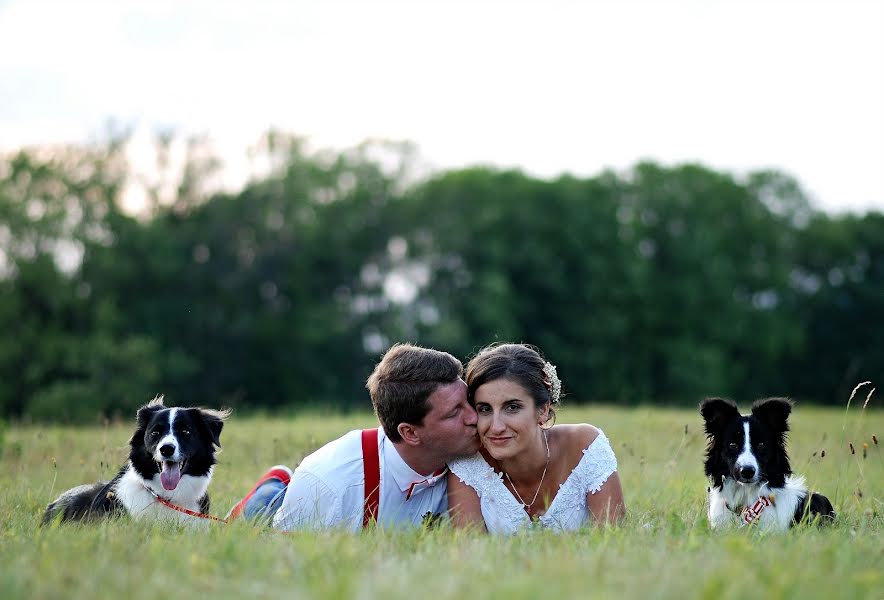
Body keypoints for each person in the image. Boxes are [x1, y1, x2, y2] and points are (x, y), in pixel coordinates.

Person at [226, 343, 480, 531]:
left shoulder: (481, 443)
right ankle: (272, 487)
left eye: (467, 401)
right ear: (410, 432)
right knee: (260, 518)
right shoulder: (330, 486)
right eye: (455, 412)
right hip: (288, 510)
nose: (475, 417)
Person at [447, 343, 625, 533]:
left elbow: (613, 538)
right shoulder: (469, 461)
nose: (496, 427)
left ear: (543, 410)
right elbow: (469, 552)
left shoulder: (585, 446)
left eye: (512, 407)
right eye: (485, 409)